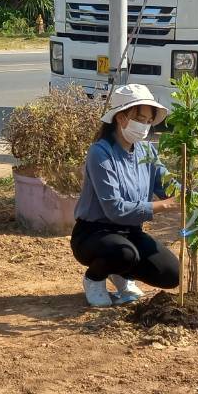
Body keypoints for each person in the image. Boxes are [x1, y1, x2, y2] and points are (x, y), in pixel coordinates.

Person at [71, 83, 182, 307]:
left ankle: (121, 275)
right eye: (140, 119)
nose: (145, 127)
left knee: (171, 274)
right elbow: (115, 209)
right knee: (123, 253)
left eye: (149, 122)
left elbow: (167, 185)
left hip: (130, 231)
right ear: (121, 118)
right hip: (94, 233)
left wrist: (191, 195)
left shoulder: (147, 151)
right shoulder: (100, 152)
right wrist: (165, 206)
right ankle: (94, 279)